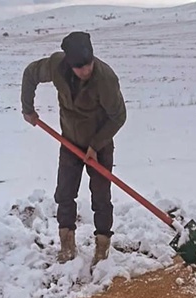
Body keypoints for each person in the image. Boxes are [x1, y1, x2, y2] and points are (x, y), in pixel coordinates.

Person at [21, 31, 127, 268]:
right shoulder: (57, 66)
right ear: (69, 63)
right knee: (65, 193)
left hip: (99, 144)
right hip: (69, 142)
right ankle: (67, 243)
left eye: (88, 65)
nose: (85, 71)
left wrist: (95, 145)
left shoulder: (106, 79)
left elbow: (119, 116)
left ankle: (102, 245)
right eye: (79, 68)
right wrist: (27, 108)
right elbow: (30, 73)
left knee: (101, 195)